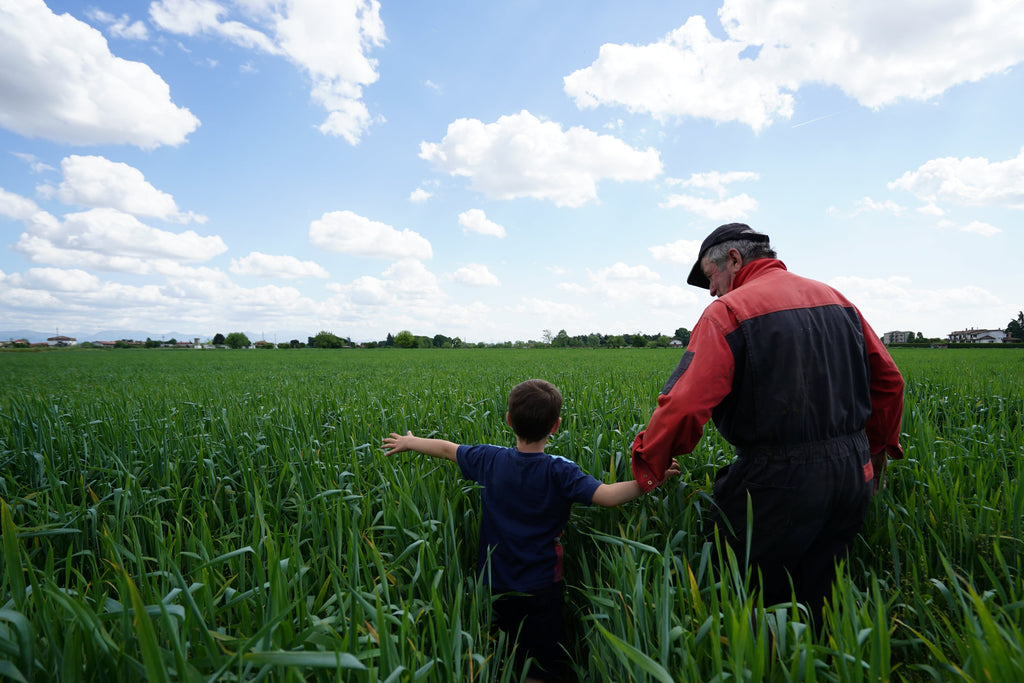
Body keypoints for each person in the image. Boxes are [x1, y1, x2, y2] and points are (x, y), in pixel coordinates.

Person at [631, 223, 904, 627]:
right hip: (852, 475)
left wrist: (648, 462)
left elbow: (685, 404)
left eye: (710, 277)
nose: (711, 291)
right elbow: (889, 382)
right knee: (821, 600)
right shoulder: (838, 301)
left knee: (756, 606)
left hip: (777, 483)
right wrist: (875, 453)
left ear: (735, 260)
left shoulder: (728, 312)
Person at [383, 378, 679, 682]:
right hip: (541, 585)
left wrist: (410, 442)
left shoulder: (490, 458)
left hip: (494, 581)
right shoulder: (559, 471)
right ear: (556, 425)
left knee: (502, 652)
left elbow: (447, 450)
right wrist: (651, 479)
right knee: (540, 664)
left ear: (509, 420)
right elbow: (606, 496)